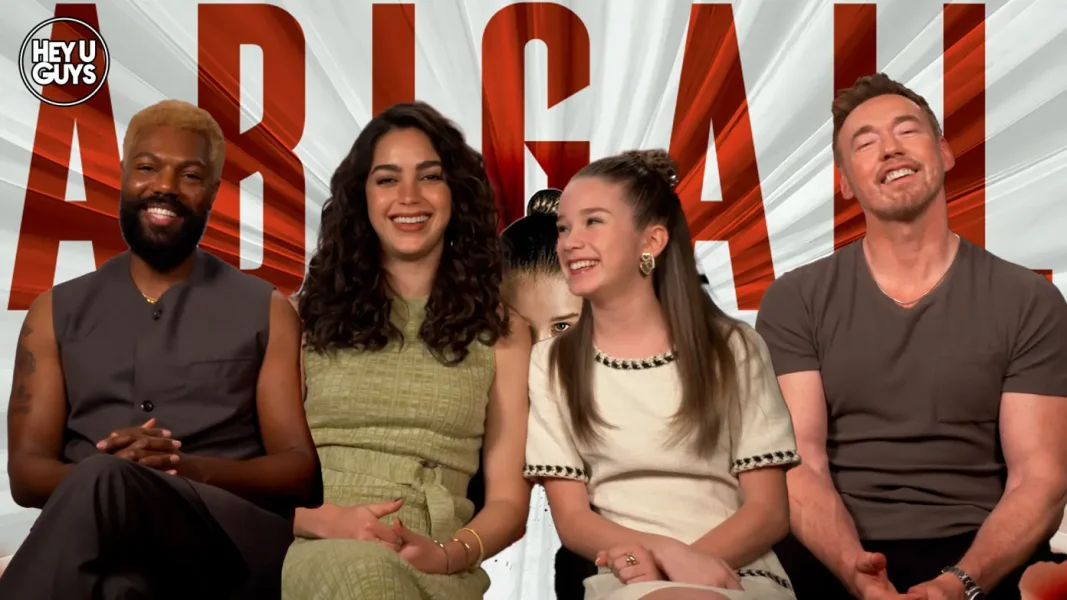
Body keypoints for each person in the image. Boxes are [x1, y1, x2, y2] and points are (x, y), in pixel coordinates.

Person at [756, 72, 1067, 600]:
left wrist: (957, 585)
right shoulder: (795, 299)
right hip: (831, 550)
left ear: (943, 152)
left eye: (907, 131)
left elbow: (1039, 479)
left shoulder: (1029, 300)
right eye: (866, 143)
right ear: (844, 182)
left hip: (980, 553)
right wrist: (855, 571)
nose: (890, 149)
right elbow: (800, 466)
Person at [0, 99, 323, 599]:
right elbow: (26, 475)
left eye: (189, 175)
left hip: (226, 543)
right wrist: (112, 478)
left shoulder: (268, 310)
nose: (165, 186)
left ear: (212, 192)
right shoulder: (54, 311)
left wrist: (180, 468)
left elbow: (299, 469)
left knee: (106, 479)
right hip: (99, 541)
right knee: (117, 585)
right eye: (148, 168)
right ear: (124, 174)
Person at [280, 101, 533, 599]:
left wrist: (448, 554)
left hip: (436, 559)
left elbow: (508, 502)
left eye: (430, 177)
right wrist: (321, 520)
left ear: (456, 194)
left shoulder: (503, 332)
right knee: (366, 577)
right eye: (387, 179)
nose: (409, 197)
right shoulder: (301, 318)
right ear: (362, 197)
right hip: (322, 544)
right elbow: (258, 478)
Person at [525, 149, 800, 600]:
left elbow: (769, 512)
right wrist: (662, 560)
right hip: (627, 575)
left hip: (738, 569)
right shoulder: (551, 362)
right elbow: (573, 521)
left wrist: (690, 565)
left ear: (651, 241)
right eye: (564, 228)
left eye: (593, 222)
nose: (570, 242)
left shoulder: (734, 347)